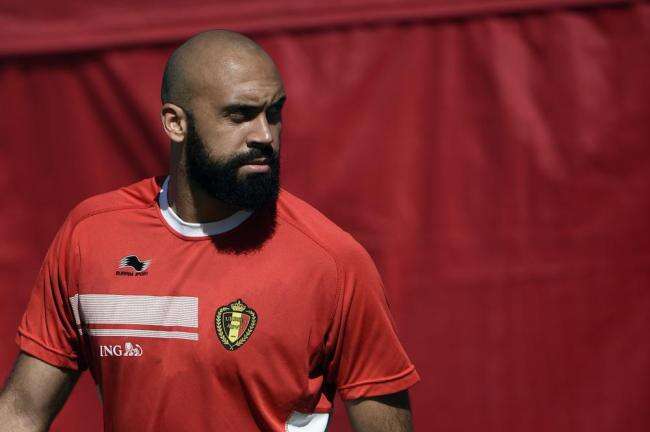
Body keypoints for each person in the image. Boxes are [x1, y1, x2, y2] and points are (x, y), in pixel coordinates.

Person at [0, 30, 419, 431]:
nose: (265, 136)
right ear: (175, 123)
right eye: (239, 115)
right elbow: (21, 412)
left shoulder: (333, 261)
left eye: (273, 113)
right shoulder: (89, 236)